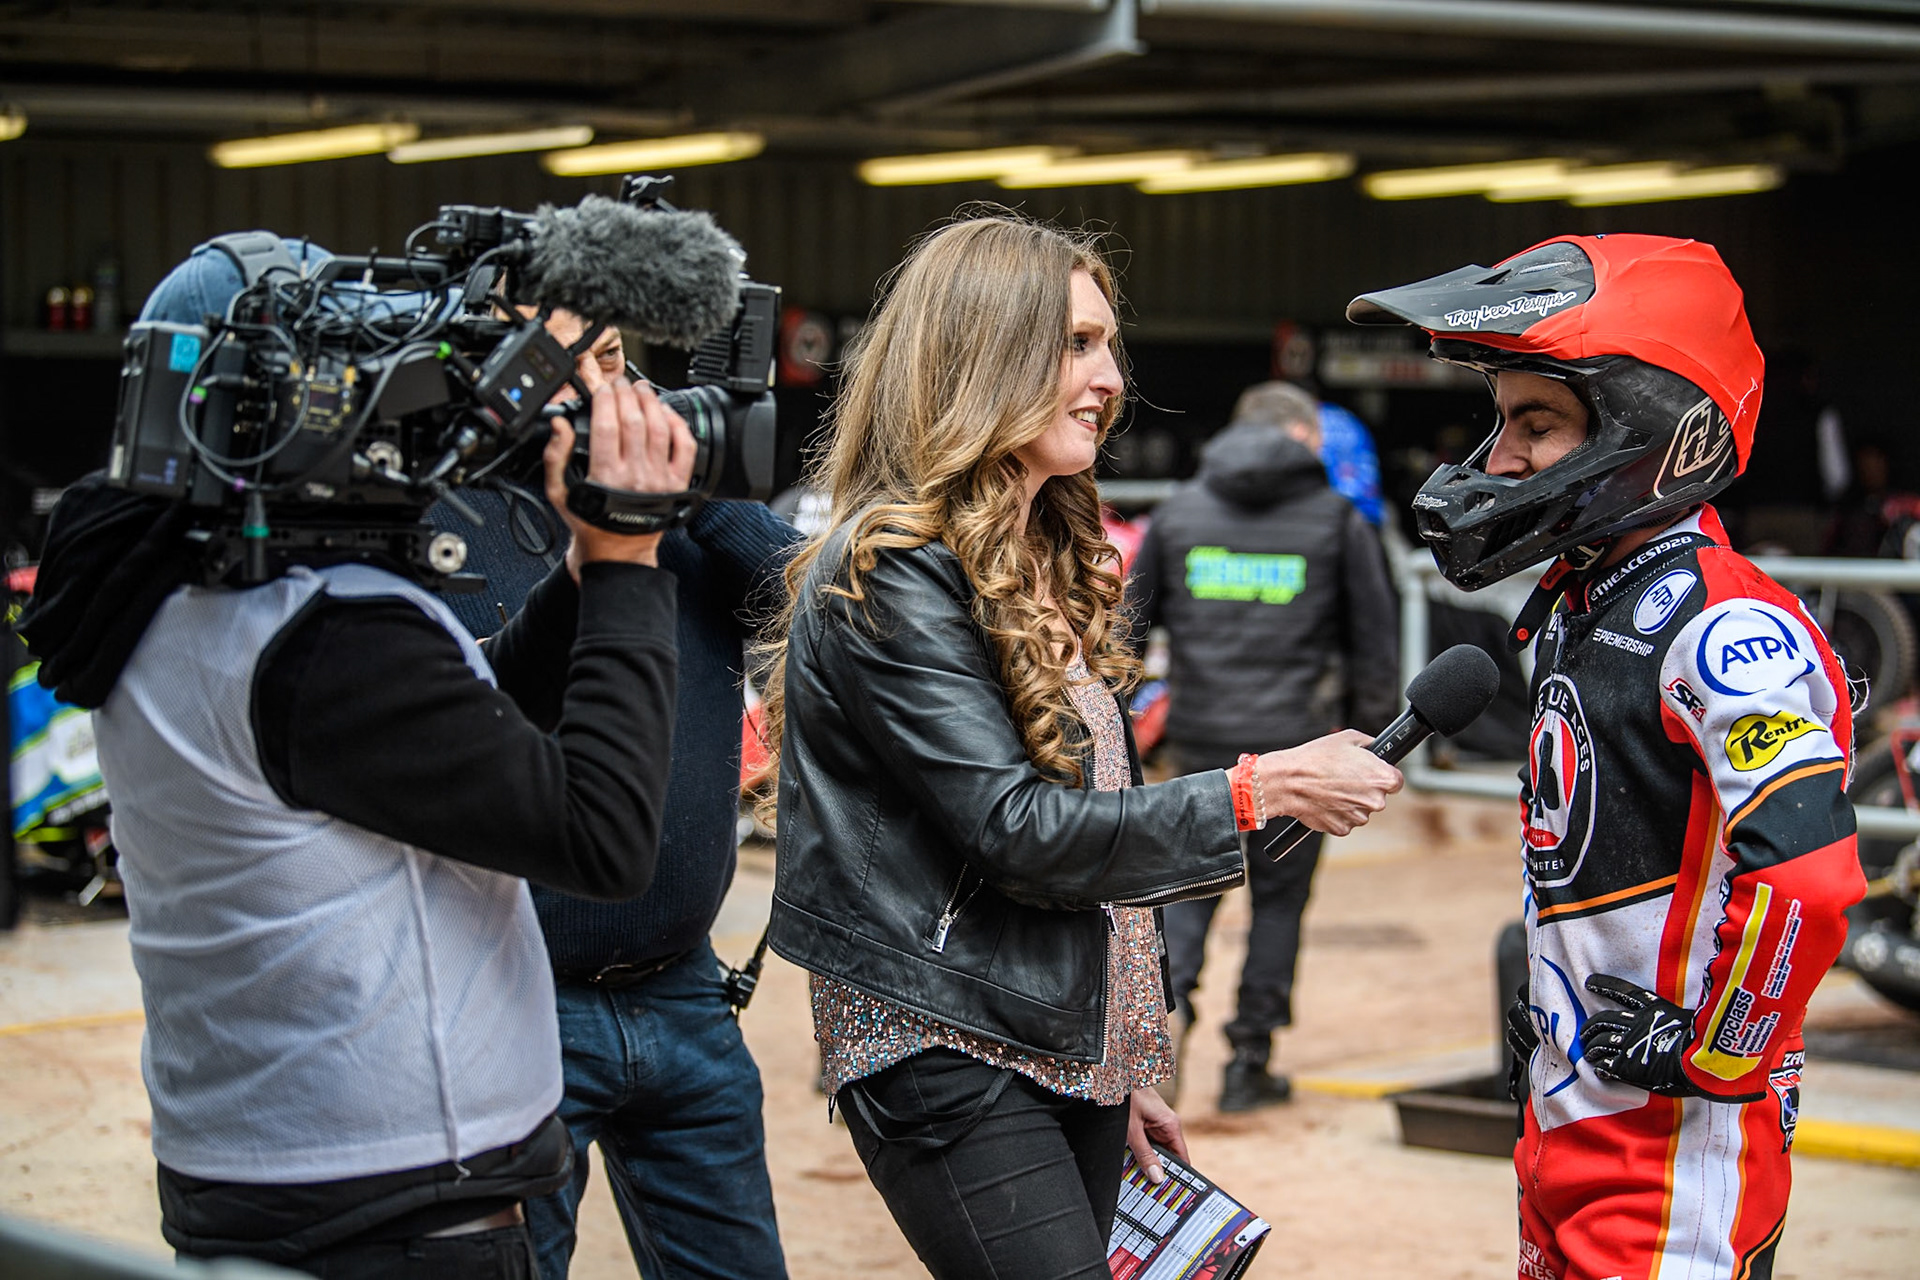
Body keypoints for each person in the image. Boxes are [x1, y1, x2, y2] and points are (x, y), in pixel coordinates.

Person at [17, 238, 696, 1277]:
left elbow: (461, 713)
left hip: (255, 1171)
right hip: (397, 1205)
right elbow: (600, 835)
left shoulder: (163, 597)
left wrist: (572, 571)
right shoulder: (324, 633)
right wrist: (628, 563)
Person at [755, 213, 1404, 1280]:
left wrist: (1126, 1056)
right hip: (943, 1038)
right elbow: (1018, 829)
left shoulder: (1041, 552)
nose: (1110, 374)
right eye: (1074, 343)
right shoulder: (887, 571)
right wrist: (1259, 786)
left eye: (1107, 342)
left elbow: (1096, 834)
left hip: (1065, 1039)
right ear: (981, 354)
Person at [1350, 234, 1865, 1280]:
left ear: (1649, 424)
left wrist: (1716, 1050)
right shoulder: (1593, 601)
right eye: (1503, 417)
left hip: (1671, 1165)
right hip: (1579, 1128)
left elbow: (1808, 881)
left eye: (1537, 421)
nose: (1498, 457)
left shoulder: (1722, 623)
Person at [426, 310, 800, 1280]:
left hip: (683, 987)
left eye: (616, 361)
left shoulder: (688, 528)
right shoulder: (448, 525)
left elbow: (832, 607)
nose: (603, 390)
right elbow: (475, 707)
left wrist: (696, 487)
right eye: (567, 365)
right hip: (513, 994)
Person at [1126, 379, 1399, 1111]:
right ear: (1306, 440)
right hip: (1301, 750)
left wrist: (1126, 736)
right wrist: (1374, 751)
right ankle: (1250, 1063)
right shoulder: (1339, 521)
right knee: (1278, 904)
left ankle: (1159, 1048)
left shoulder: (1179, 514)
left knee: (1185, 896)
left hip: (1200, 744)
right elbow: (1377, 651)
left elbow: (1126, 638)